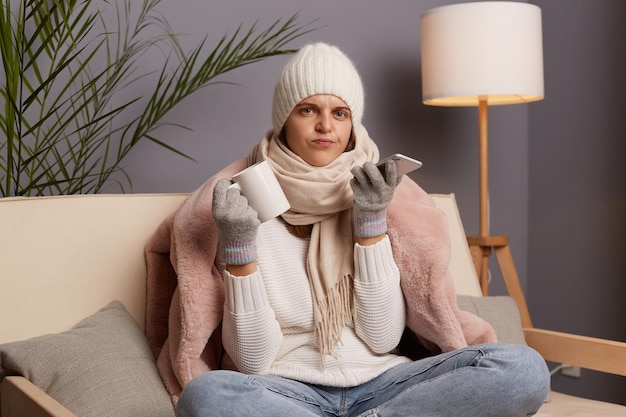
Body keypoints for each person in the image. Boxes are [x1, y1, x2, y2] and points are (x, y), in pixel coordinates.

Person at [173, 42, 550, 417]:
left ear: (353, 124)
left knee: (524, 369)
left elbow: (381, 338)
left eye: (340, 113)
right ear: (284, 118)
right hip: (285, 391)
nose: (326, 126)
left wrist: (370, 225)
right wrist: (239, 248)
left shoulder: (375, 191)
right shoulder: (241, 200)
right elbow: (254, 361)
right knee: (205, 395)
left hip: (386, 386)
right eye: (308, 110)